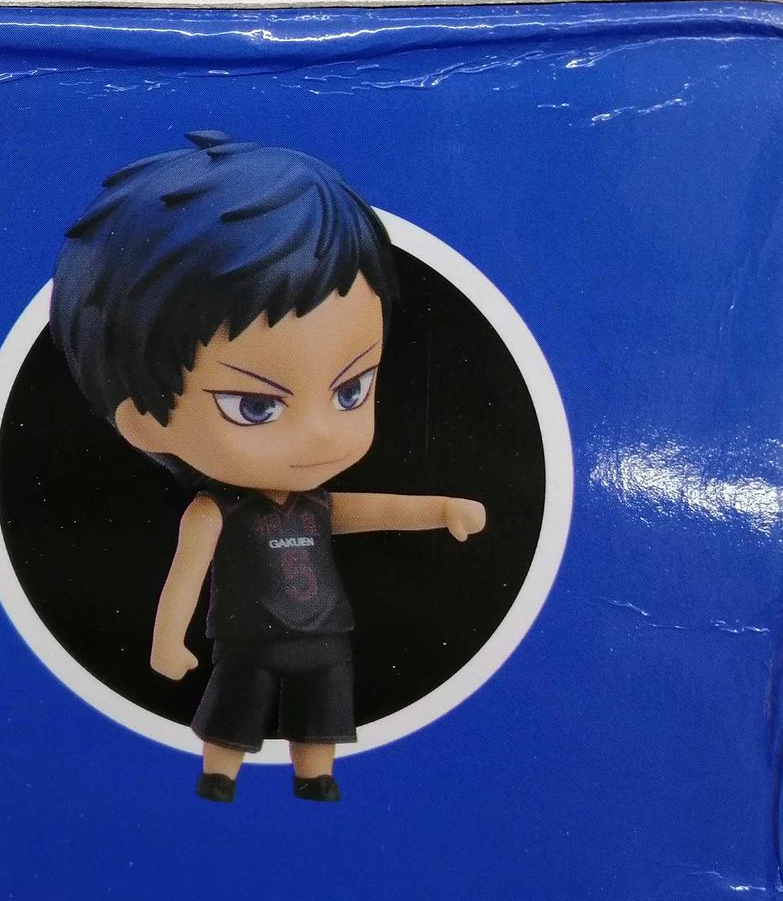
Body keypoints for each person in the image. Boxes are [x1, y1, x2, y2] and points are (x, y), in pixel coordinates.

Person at [51, 131, 485, 802]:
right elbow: (185, 578)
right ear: (146, 422)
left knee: (324, 711)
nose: (321, 435)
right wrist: (167, 640)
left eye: (351, 391)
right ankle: (218, 773)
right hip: (247, 639)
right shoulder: (213, 511)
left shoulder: (317, 505)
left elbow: (372, 511)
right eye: (255, 406)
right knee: (233, 705)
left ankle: (316, 776)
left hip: (325, 634)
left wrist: (441, 509)